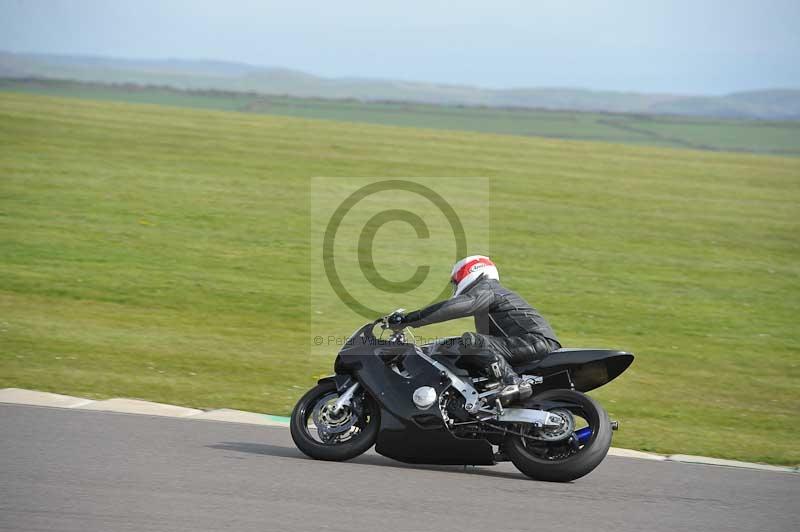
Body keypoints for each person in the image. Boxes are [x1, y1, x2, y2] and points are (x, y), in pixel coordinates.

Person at [388, 255, 561, 387]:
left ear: (469, 272)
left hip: (535, 341)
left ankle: (511, 383)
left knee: (472, 341)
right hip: (525, 343)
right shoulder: (486, 303)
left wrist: (409, 319)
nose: (455, 287)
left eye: (455, 282)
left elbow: (451, 308)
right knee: (461, 347)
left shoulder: (487, 289)